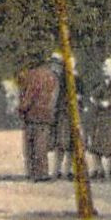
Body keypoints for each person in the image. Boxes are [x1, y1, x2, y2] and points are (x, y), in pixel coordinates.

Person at [16, 53, 58, 182]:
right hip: (47, 114)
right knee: (42, 145)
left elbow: (30, 94)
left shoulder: (32, 75)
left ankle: (33, 172)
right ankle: (43, 172)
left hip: (32, 113)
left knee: (31, 146)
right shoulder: (52, 76)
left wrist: (21, 108)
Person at [86, 57, 111, 181]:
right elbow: (93, 96)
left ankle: (109, 171)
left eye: (106, 67)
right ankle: (99, 169)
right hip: (101, 118)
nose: (103, 69)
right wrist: (99, 102)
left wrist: (99, 102)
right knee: (96, 145)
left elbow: (108, 102)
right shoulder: (103, 82)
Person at [47, 52, 75, 180]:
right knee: (60, 144)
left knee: (68, 144)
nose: (54, 67)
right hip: (60, 115)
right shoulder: (55, 78)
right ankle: (57, 170)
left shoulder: (69, 79)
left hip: (67, 115)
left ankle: (65, 171)